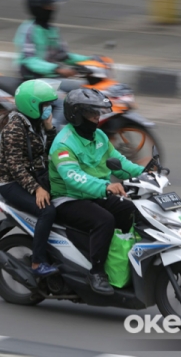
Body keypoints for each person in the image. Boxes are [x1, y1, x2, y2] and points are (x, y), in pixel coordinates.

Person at [48, 88, 144, 295]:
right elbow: (72, 177)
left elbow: (120, 163)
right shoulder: (63, 144)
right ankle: (97, 272)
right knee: (104, 220)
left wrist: (146, 173)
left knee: (131, 210)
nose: (97, 118)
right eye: (92, 114)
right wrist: (106, 186)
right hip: (68, 199)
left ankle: (122, 260)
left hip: (96, 194)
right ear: (77, 115)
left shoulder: (98, 135)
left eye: (98, 113)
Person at [0, 79, 59, 277]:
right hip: (12, 183)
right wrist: (36, 189)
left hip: (35, 176)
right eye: (45, 105)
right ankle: (37, 262)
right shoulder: (14, 128)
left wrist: (50, 130)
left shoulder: (37, 123)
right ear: (32, 105)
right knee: (46, 211)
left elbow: (48, 153)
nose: (49, 109)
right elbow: (15, 166)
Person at [14, 0, 92, 127]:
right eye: (48, 5)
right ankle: (52, 136)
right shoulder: (28, 30)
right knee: (64, 102)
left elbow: (64, 55)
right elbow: (30, 60)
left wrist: (90, 60)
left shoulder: (51, 30)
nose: (53, 9)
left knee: (82, 90)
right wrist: (58, 69)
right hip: (33, 81)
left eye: (53, 5)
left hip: (49, 79)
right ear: (38, 7)